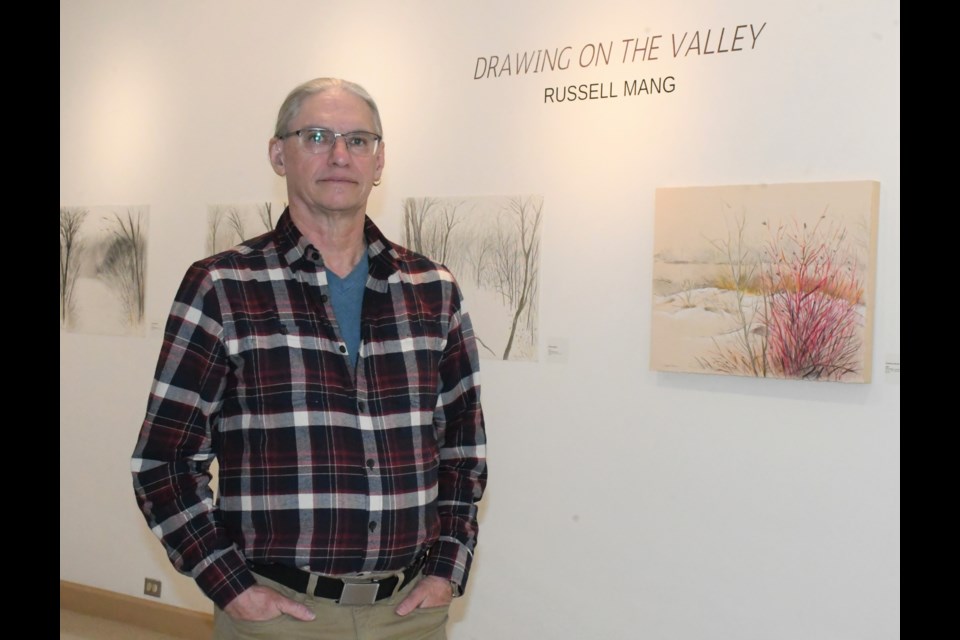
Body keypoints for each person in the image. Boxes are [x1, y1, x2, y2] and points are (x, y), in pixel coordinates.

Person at [131, 77, 487, 640]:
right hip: (279, 614)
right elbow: (164, 462)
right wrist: (232, 588)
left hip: (412, 614)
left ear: (379, 160)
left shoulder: (432, 288)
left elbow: (463, 451)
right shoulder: (223, 286)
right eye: (317, 136)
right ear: (279, 153)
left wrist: (448, 568)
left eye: (359, 140)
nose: (340, 155)